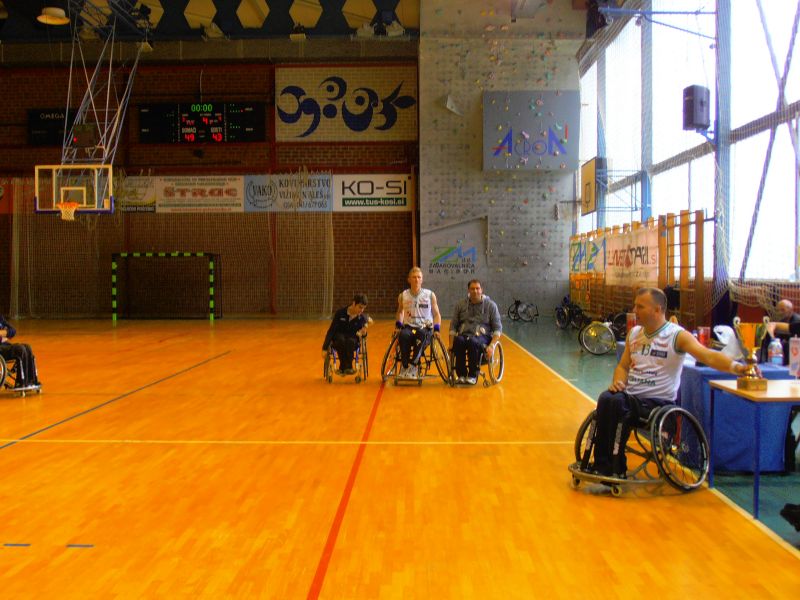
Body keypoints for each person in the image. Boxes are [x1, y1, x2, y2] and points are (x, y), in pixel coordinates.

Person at [590, 287, 751, 478]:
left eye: (640, 306)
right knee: (606, 397)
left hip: (657, 404)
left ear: (657, 310)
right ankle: (601, 464)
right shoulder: (634, 333)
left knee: (617, 403)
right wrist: (618, 382)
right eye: (635, 305)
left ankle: (614, 467)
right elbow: (623, 366)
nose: (634, 310)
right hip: (631, 398)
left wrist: (736, 367)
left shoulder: (677, 335)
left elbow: (708, 355)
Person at [449, 279, 502, 385]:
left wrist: (492, 345)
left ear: (482, 290)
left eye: (477, 288)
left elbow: (497, 329)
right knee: (458, 341)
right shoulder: (460, 305)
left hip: (483, 337)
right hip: (464, 335)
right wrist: (451, 345)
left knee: (472, 342)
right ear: (468, 290)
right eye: (472, 289)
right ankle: (461, 375)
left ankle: (473, 375)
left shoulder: (491, 306)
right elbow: (453, 326)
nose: (475, 291)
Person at [395, 267, 442, 379]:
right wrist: (398, 325)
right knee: (403, 335)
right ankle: (404, 366)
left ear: (422, 279)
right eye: (414, 277)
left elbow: (436, 314)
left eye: (419, 277)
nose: (416, 279)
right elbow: (400, 312)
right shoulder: (403, 295)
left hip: (425, 328)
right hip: (409, 327)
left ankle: (414, 366)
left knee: (421, 334)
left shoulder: (430, 295)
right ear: (409, 279)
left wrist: (437, 329)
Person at [322, 294, 370, 376]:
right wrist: (325, 348)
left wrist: (364, 333)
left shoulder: (362, 318)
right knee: (341, 340)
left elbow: (363, 336)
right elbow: (331, 330)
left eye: (363, 308)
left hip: (352, 340)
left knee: (350, 341)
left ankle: (346, 368)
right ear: (354, 303)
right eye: (360, 307)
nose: (361, 310)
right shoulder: (340, 313)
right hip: (339, 338)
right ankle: (345, 368)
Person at [0, 315, 41, 389]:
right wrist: (4, 334)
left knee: (27, 347)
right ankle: (20, 382)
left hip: (4, 345)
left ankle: (31, 381)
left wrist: (2, 333)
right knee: (20, 349)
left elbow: (13, 331)